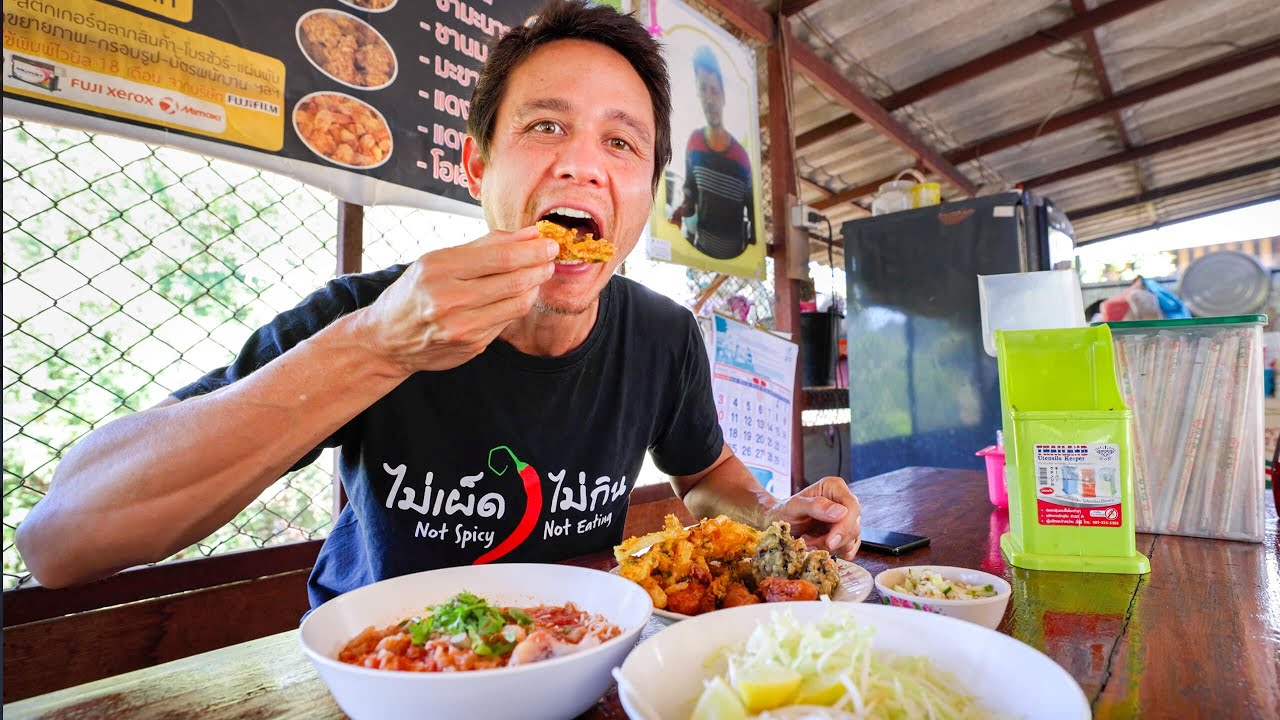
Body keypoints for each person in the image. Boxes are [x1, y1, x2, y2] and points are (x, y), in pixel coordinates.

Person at [15, 0, 860, 607]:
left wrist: (770, 521)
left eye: (621, 142)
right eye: (545, 127)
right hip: (383, 671)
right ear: (477, 166)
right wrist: (377, 347)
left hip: (582, 653)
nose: (582, 165)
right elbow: (60, 540)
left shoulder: (662, 335)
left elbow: (706, 475)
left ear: (646, 192)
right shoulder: (371, 311)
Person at [668, 45, 756, 260]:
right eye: (703, 90)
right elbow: (690, 195)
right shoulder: (694, 143)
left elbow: (753, 216)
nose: (709, 99)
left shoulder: (741, 157)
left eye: (714, 91)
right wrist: (679, 212)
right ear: (698, 93)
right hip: (699, 253)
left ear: (724, 96)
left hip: (735, 258)